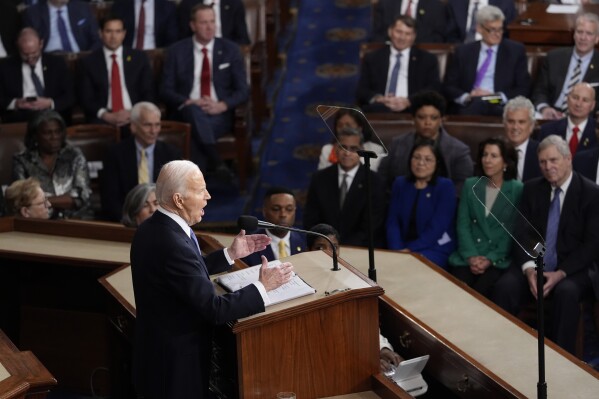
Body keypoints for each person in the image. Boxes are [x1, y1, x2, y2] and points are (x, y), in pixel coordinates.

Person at [131, 160, 294, 398]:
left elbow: (183, 275)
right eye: (200, 191)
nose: (208, 196)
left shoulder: (153, 227)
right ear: (178, 200)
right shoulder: (172, 242)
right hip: (174, 368)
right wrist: (263, 286)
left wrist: (230, 254)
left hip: (157, 354)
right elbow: (214, 309)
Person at [492, 135, 599, 355]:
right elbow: (522, 233)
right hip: (535, 264)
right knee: (505, 287)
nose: (548, 167)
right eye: (542, 162)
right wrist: (530, 268)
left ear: (568, 159)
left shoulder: (591, 193)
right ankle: (502, 353)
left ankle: (561, 358)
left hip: (572, 269)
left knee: (566, 293)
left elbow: (591, 245)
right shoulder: (532, 189)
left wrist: (560, 273)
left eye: (553, 160)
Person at [161, 3, 249, 177]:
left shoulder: (230, 50)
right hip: (186, 111)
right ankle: (216, 162)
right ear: (192, 25)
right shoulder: (176, 51)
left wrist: (222, 105)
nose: (210, 27)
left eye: (212, 21)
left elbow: (243, 90)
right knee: (192, 112)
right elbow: (165, 89)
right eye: (203, 23)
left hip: (218, 115)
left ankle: (195, 187)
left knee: (192, 132)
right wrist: (188, 101)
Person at [306, 223, 403, 373]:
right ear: (308, 250)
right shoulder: (301, 283)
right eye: (320, 247)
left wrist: (381, 348)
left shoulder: (352, 280)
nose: (328, 253)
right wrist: (366, 358)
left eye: (334, 247)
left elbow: (366, 322)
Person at [449, 137, 522, 298]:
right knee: (457, 289)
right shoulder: (470, 184)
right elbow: (463, 224)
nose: (487, 160)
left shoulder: (517, 189)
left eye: (493, 156)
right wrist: (471, 256)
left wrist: (490, 259)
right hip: (469, 256)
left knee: (483, 292)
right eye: (484, 155)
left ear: (506, 163)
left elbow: (511, 231)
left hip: (497, 258)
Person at [304, 127, 386, 247]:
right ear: (335, 149)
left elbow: (372, 225)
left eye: (353, 148)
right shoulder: (319, 178)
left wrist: (344, 247)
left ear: (361, 150)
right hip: (325, 247)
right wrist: (326, 243)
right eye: (343, 147)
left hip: (359, 249)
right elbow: (311, 218)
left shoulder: (374, 181)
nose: (347, 153)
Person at [377, 90, 473, 193]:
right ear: (413, 119)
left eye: (434, 118)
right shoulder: (397, 144)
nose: (427, 123)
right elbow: (382, 180)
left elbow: (462, 189)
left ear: (442, 120)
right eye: (421, 117)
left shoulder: (459, 151)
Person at [100, 102, 181, 222]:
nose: (153, 131)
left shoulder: (171, 154)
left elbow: (176, 195)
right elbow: (110, 198)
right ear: (133, 127)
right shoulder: (115, 154)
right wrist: (128, 221)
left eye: (157, 125)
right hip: (127, 220)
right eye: (147, 125)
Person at [443, 5, 530, 116]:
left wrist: (494, 97)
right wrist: (468, 97)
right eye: (492, 30)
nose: (497, 34)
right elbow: (449, 86)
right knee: (476, 104)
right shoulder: (463, 52)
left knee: (485, 103)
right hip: (470, 102)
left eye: (500, 29)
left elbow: (523, 88)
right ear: (479, 28)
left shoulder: (515, 51)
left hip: (498, 102)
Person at [386, 140, 457, 269]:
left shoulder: (445, 186)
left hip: (434, 247)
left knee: (412, 267)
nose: (420, 163)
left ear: (437, 163)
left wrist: (409, 250)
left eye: (428, 159)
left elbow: (437, 228)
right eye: (416, 157)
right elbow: (393, 221)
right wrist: (397, 249)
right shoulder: (400, 183)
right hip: (402, 247)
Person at [11, 110, 91, 219]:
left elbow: (81, 196)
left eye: (58, 131)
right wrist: (63, 200)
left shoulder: (75, 156)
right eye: (47, 133)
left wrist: (41, 202)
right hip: (39, 223)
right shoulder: (22, 160)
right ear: (35, 135)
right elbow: (22, 199)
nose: (54, 137)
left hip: (77, 220)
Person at [77, 16, 155, 127]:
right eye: (109, 31)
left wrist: (133, 113)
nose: (113, 37)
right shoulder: (88, 62)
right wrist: (105, 115)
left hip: (134, 115)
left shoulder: (139, 58)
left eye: (118, 31)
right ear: (100, 33)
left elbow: (149, 92)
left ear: (124, 34)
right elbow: (86, 98)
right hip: (104, 117)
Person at [357, 15, 441, 113]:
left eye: (408, 34)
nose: (402, 38)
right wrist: (378, 98)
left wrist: (408, 101)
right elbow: (362, 89)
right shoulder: (373, 58)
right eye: (399, 32)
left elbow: (433, 89)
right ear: (390, 32)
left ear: (414, 37)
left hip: (413, 107)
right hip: (381, 106)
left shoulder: (427, 60)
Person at [532, 13, 599, 120]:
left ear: (597, 39)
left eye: (589, 34)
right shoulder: (554, 57)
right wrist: (545, 108)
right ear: (574, 34)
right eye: (579, 32)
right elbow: (540, 91)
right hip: (551, 115)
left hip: (583, 118)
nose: (583, 38)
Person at [0, 28, 74, 123]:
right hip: (20, 115)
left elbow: (70, 95)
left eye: (34, 53)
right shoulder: (6, 67)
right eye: (25, 54)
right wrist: (16, 103)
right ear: (18, 47)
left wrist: (50, 103)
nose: (30, 58)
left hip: (52, 114)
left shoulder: (56, 63)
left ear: (41, 44)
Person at [241, 187, 306, 266]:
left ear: (295, 210)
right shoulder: (250, 245)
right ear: (264, 211)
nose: (283, 215)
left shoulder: (305, 240)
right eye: (276, 209)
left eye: (289, 209)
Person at [318, 108, 385, 172]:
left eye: (348, 125)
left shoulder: (376, 149)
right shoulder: (328, 149)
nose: (343, 129)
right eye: (340, 125)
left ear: (360, 128)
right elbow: (321, 178)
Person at [538, 82, 597, 156]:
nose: (578, 104)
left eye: (585, 100)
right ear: (568, 99)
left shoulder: (597, 132)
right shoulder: (547, 131)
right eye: (575, 97)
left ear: (592, 105)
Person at [23, 0, 100, 53]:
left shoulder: (83, 8)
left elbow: (96, 39)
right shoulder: (33, 13)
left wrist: (89, 57)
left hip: (80, 57)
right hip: (49, 60)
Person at [370, 0, 449, 43]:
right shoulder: (385, 3)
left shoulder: (436, 6)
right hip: (390, 53)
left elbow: (439, 37)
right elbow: (376, 34)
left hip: (423, 56)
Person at [502, 96, 542, 182]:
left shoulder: (541, 152)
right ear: (504, 124)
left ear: (531, 126)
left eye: (521, 122)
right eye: (511, 121)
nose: (515, 127)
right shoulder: (496, 151)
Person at [111, 0, 178, 50]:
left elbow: (172, 39)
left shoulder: (168, 7)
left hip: (156, 56)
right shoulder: (119, 6)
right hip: (128, 55)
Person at [177, 0, 250, 45]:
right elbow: (183, 38)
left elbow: (243, 39)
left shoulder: (235, 3)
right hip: (196, 53)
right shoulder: (187, 4)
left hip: (227, 54)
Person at [445, 0, 517, 43]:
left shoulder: (505, 4)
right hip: (463, 54)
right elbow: (451, 37)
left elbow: (508, 36)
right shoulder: (455, 3)